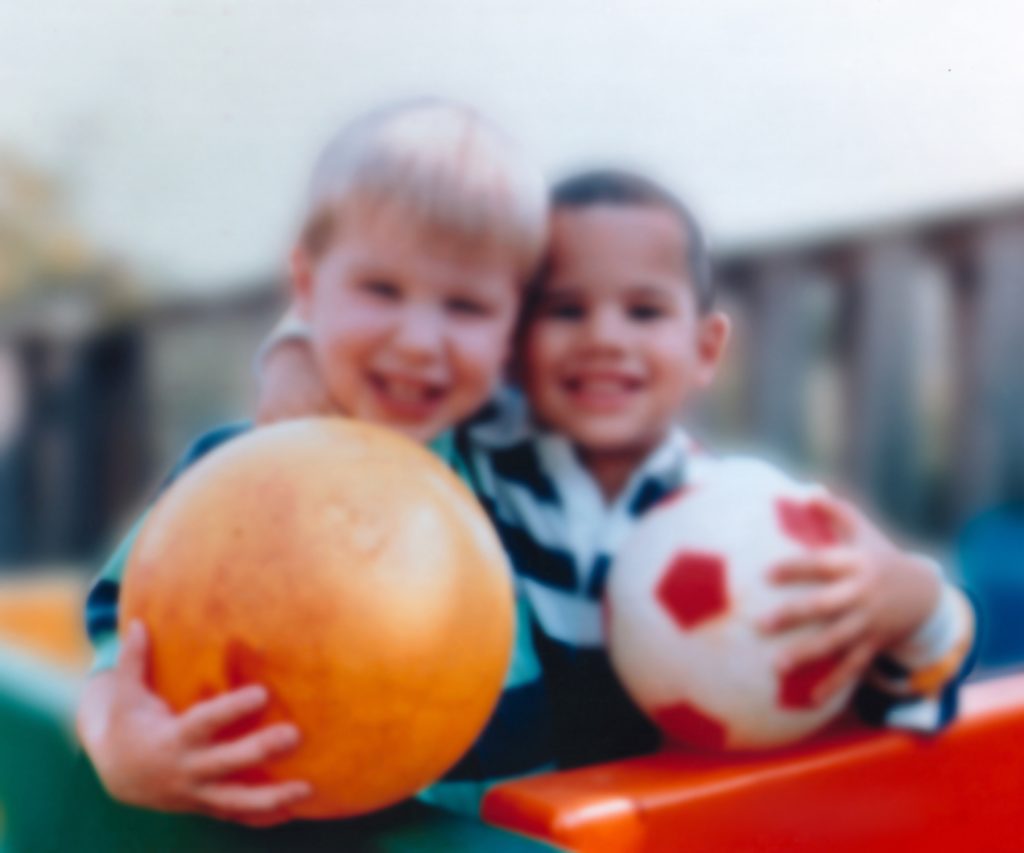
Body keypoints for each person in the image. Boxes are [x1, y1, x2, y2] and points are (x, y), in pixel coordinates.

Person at [257, 169, 977, 770]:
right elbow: (362, 376)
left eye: (643, 310)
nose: (604, 338)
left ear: (704, 347)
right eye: (565, 310)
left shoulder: (752, 526)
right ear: (510, 340)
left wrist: (915, 607)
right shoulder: (454, 455)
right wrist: (296, 351)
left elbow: (903, 709)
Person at [77, 97, 551, 826]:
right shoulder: (231, 482)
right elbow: (119, 647)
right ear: (306, 288)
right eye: (380, 289)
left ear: (511, 325)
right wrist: (117, 746)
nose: (421, 339)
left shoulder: (527, 479)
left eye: (465, 306)